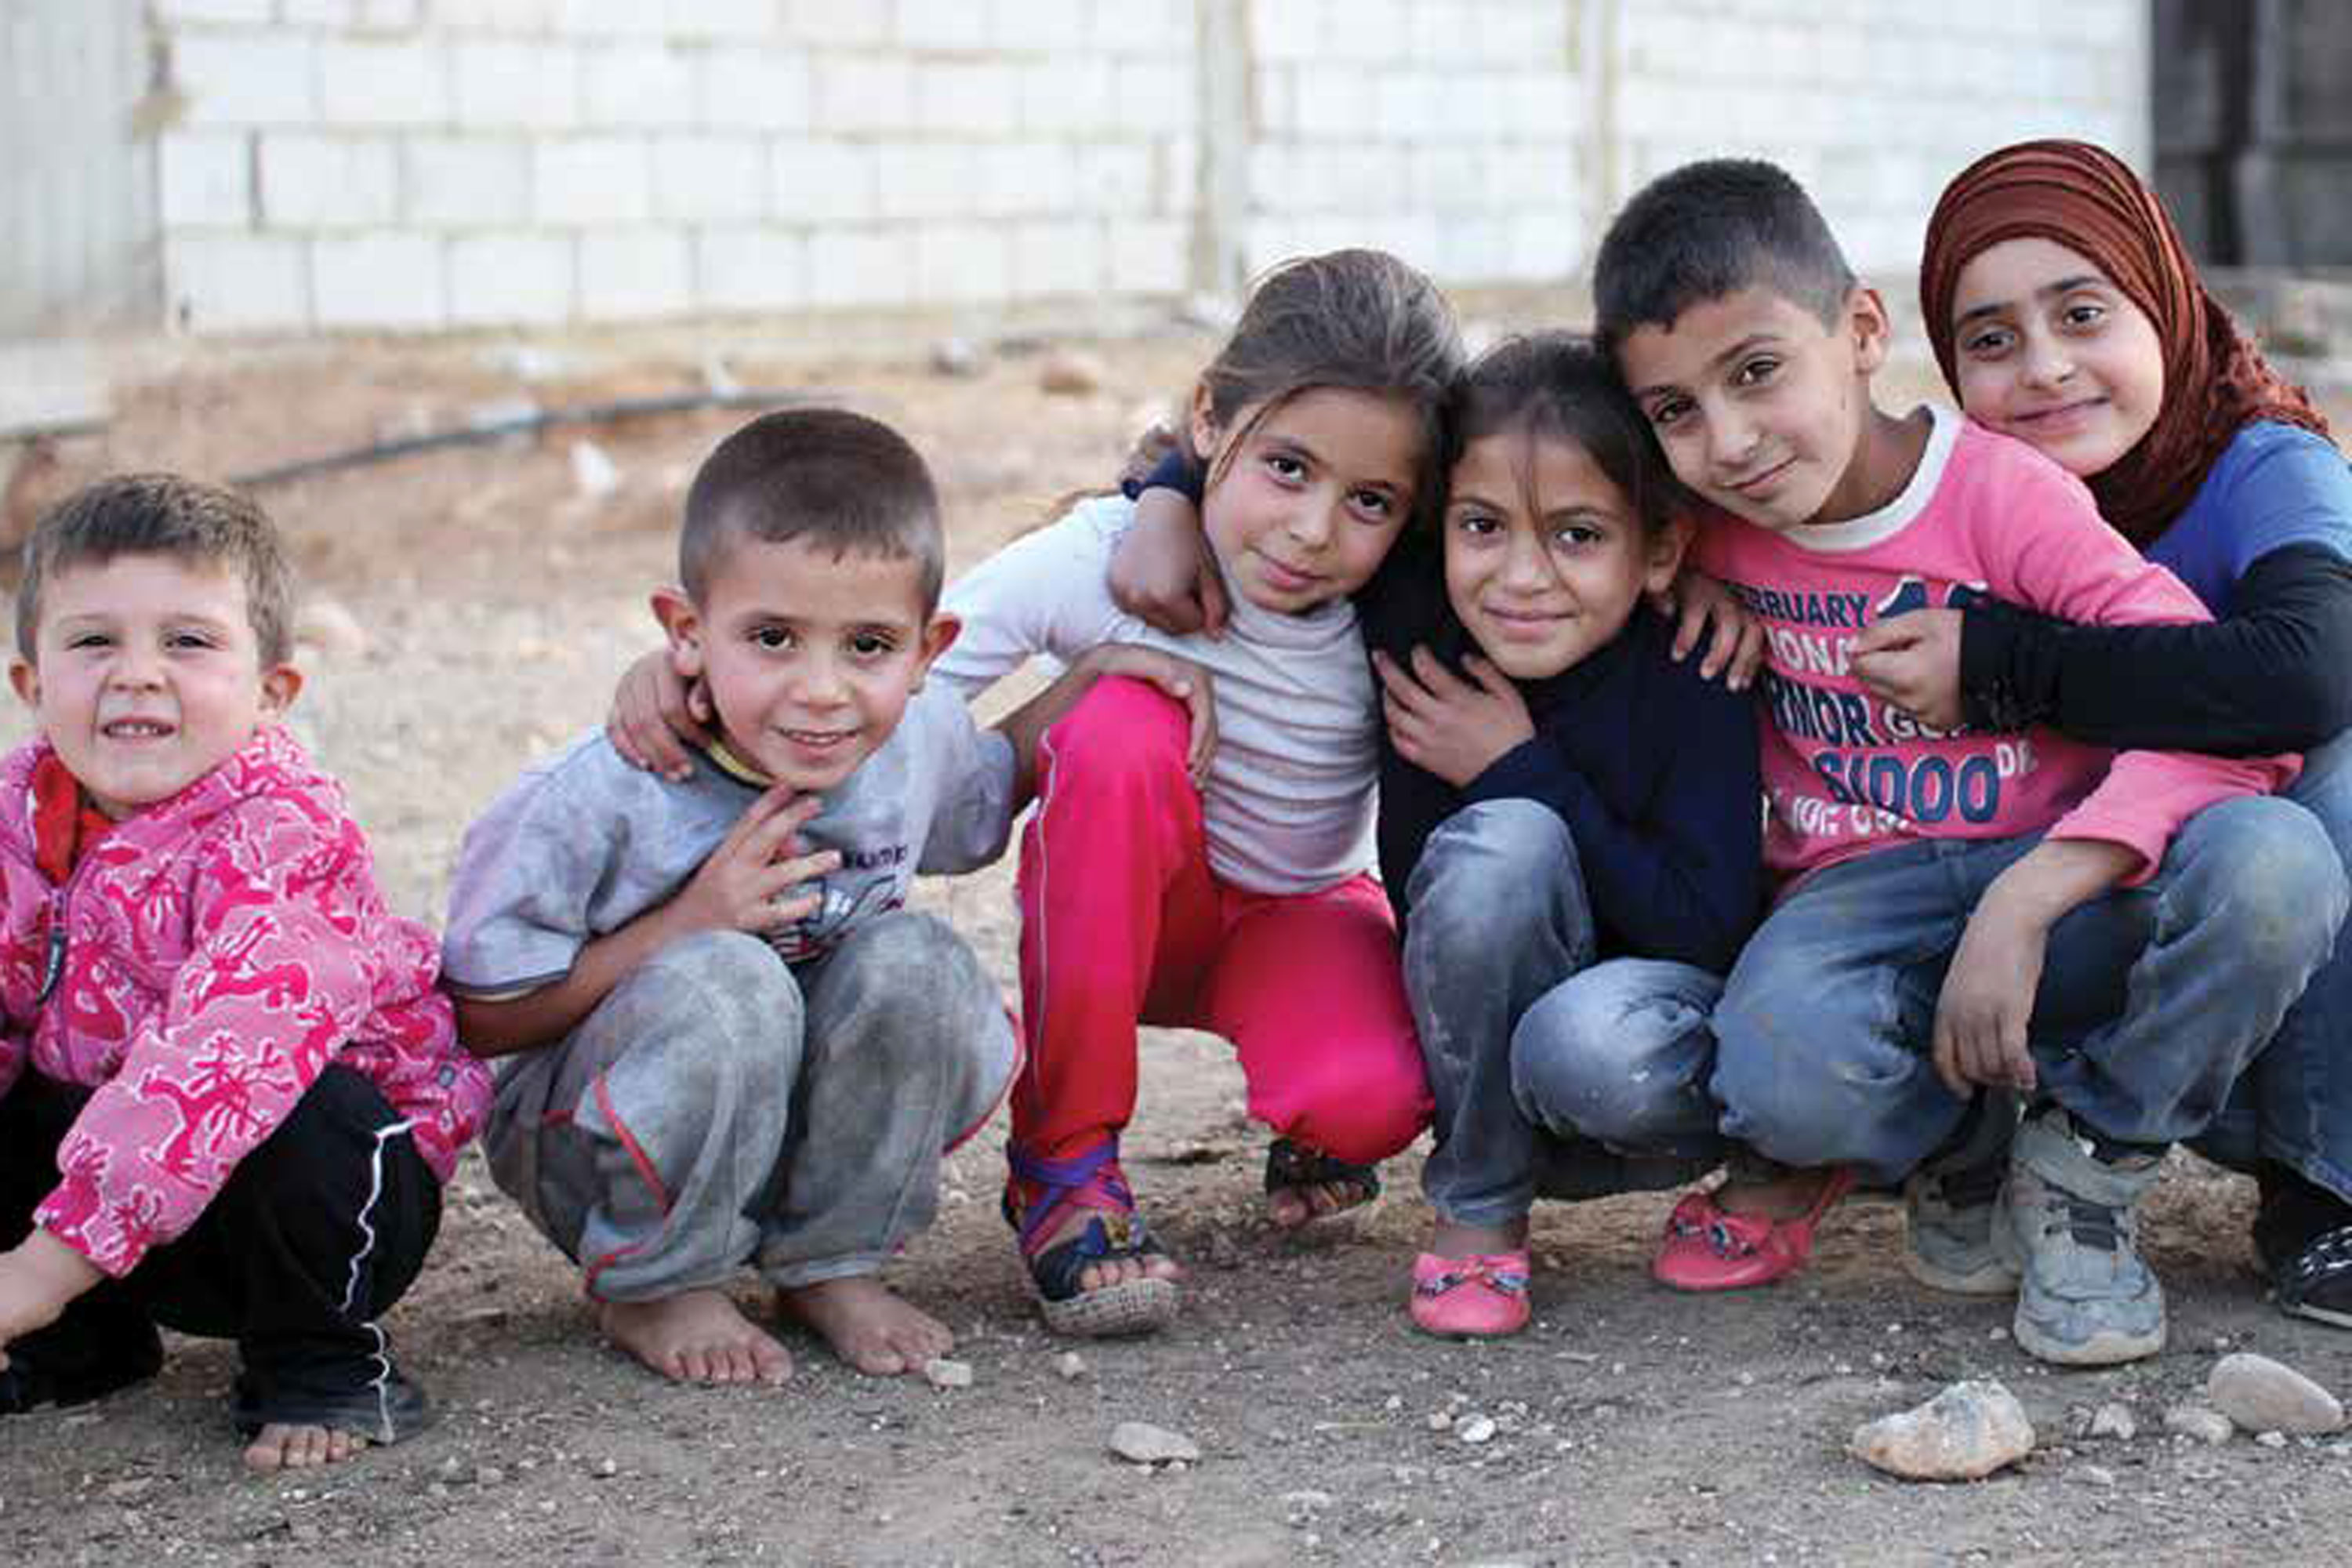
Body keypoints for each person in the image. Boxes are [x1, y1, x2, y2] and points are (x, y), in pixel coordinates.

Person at [1592, 157, 2347, 1365]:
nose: (1728, 440)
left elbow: (2253, 708)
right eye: (1677, 411)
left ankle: (2094, 1155)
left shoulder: (2014, 497)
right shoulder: (1706, 526)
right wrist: (1173, 497)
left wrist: (2036, 887)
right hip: (1856, 897)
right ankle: (1965, 1140)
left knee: (2278, 861)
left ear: (1862, 332)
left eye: (1757, 375)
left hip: (2063, 873)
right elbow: (1492, 476)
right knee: (1781, 1075)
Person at [442, 408, 1203, 1382]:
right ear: (685, 631)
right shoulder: (600, 794)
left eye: (869, 647)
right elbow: (478, 1017)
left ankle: (829, 1260)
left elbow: (979, 794)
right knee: (727, 978)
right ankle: (658, 1278)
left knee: (920, 963)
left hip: (781, 1112)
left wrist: (1090, 677)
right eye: (771, 637)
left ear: (928, 650)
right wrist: (683, 926)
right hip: (595, 1139)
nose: (822, 690)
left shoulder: (909, 738)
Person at [1110, 334, 1764, 1338]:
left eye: (1580, 535)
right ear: (1439, 522)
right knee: (1502, 851)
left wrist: (1518, 768)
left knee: (1557, 974)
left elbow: (1705, 929)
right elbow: (1304, 435)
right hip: (1475, 1017)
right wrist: (1165, 492)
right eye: (1482, 525)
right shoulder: (1417, 606)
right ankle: (1481, 1207)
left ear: (1663, 548)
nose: (1521, 575)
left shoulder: (1691, 663)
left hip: (1642, 1031)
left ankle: (1732, 1160)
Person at [1850, 138, 2352, 1328]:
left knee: (2337, 778)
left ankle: (2321, 1178)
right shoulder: (1961, 490)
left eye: (2083, 313)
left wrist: (2006, 665)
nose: (2045, 368)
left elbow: (2310, 671)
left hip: (2249, 932)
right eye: (1990, 340)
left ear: (2164, 304)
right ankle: (1965, 1132)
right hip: (2060, 926)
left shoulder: (2260, 465)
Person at [0, 474, 492, 1472]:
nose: (138, 674)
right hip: (116, 1211)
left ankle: (320, 1359)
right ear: (30, 683)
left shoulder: (283, 832)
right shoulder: (20, 817)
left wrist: (38, 1269)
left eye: (187, 641)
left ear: (273, 692)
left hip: (322, 1208)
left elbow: (223, 1058)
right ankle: (82, 1342)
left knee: (301, 1114)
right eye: (95, 642)